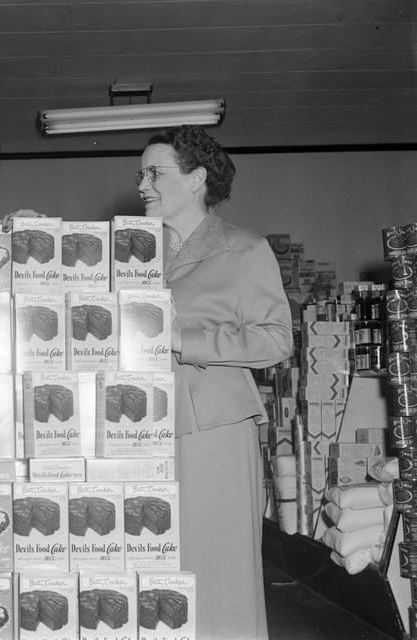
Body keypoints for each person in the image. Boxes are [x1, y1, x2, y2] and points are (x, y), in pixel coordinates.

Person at [137, 125, 293, 639]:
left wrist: (185, 337)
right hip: (138, 428)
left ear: (197, 178)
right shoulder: (129, 251)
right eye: (141, 174)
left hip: (215, 429)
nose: (142, 185)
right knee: (153, 568)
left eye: (154, 173)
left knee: (220, 566)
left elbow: (275, 342)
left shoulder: (244, 249)